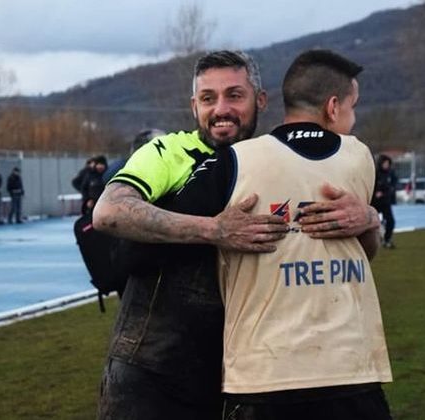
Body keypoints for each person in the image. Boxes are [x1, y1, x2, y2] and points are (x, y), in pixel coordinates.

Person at [93, 50, 380, 419]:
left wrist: (368, 217)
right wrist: (214, 229)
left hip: (230, 372)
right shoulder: (169, 151)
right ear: (194, 106)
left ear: (260, 100)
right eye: (208, 98)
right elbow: (110, 210)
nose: (221, 109)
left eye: (234, 95)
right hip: (152, 370)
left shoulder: (267, 160)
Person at [373, 154, 397, 249]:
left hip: (385, 202)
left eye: (388, 163)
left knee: (391, 221)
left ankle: (387, 240)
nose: (386, 165)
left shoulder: (390, 173)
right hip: (374, 202)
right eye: (385, 163)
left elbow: (393, 186)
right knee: (371, 222)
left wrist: (385, 193)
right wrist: (375, 193)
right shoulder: (375, 173)